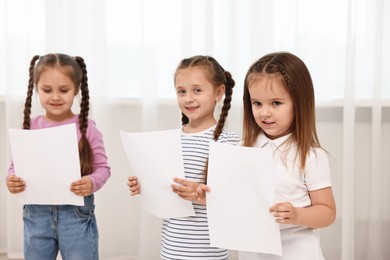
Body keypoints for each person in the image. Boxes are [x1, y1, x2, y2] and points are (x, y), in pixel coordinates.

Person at [197, 51, 336, 259]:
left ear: (299, 102)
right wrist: (210, 198)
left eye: (276, 103)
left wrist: (297, 214)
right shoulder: (242, 149)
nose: (264, 113)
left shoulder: (310, 156)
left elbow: (327, 212)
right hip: (252, 252)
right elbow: (233, 200)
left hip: (296, 253)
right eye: (257, 103)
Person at [127, 55, 240, 259]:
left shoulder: (229, 142)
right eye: (182, 91)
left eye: (197, 90)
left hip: (209, 254)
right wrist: (145, 185)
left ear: (218, 92)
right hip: (172, 250)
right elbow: (164, 189)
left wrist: (198, 190)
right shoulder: (170, 141)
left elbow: (235, 200)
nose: (188, 98)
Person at [6, 53, 111, 260]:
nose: (55, 97)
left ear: (76, 90)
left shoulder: (86, 127)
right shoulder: (30, 126)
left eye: (64, 90)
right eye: (47, 90)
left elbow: (103, 168)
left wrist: (91, 182)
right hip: (36, 215)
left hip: (76, 216)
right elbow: (15, 165)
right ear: (36, 88)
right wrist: (12, 179)